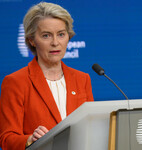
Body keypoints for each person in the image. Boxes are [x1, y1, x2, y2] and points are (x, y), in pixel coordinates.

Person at [0, 2, 94, 150]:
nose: (55, 42)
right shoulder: (15, 82)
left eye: (61, 34)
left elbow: (91, 128)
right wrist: (30, 139)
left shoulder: (82, 79)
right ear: (32, 40)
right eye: (46, 36)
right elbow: (7, 139)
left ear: (68, 37)